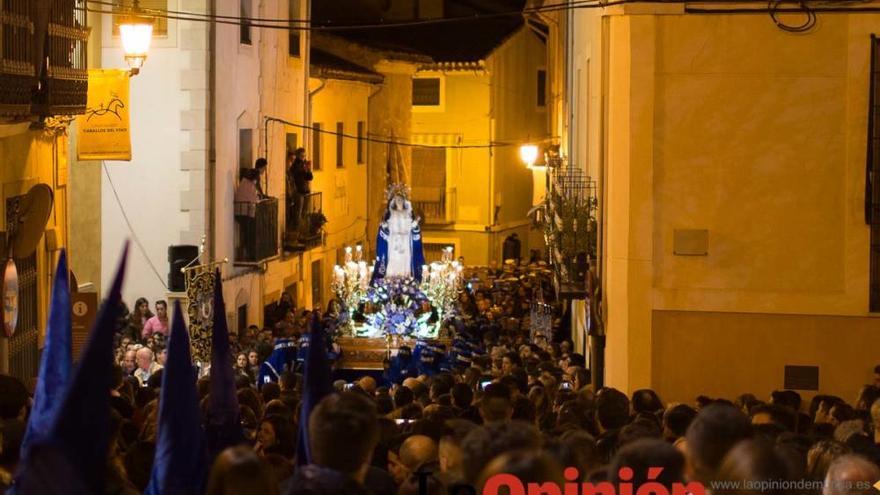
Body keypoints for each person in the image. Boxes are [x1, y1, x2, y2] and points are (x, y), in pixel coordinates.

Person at [235, 159, 267, 260]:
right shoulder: (254, 176)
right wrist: (261, 196)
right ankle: (249, 255)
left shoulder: (247, 178)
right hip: (245, 211)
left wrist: (261, 195)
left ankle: (245, 254)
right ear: (261, 167)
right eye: (264, 168)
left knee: (247, 233)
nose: (264, 171)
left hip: (241, 210)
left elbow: (255, 192)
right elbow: (255, 192)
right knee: (250, 233)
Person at [287, 148, 313, 241]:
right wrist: (304, 168)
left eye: (305, 156)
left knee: (304, 213)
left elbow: (310, 177)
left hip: (305, 192)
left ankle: (302, 232)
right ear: (298, 156)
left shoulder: (303, 165)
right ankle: (297, 234)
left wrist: (308, 170)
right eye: (302, 156)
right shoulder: (295, 165)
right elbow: (296, 174)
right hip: (299, 192)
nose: (304, 158)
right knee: (298, 214)